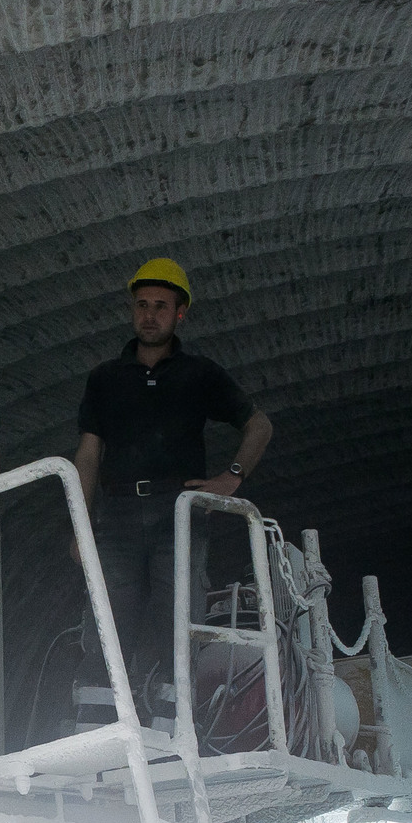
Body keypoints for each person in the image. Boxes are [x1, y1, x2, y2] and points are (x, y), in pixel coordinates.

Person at [72, 259, 273, 710]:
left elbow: (259, 425)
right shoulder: (104, 378)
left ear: (180, 313)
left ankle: (169, 739)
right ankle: (97, 736)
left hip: (178, 515)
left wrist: (231, 479)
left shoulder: (200, 374)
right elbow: (88, 453)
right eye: (141, 305)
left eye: (161, 306)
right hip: (117, 518)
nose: (149, 314)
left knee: (177, 625)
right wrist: (81, 525)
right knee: (105, 623)